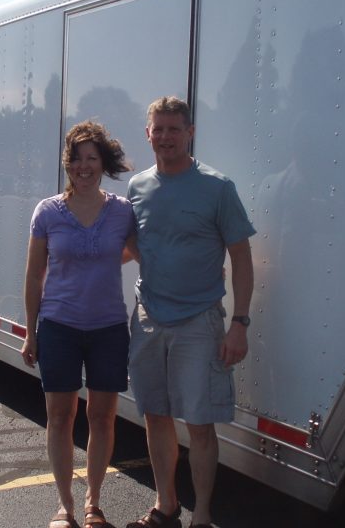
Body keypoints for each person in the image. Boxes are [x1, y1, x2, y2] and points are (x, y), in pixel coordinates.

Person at [126, 97, 255, 528]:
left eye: (174, 129)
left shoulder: (217, 188)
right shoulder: (137, 187)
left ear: (190, 133)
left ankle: (201, 514)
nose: (165, 137)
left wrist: (239, 323)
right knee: (156, 415)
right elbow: (135, 244)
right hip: (148, 319)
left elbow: (241, 256)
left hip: (199, 321)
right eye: (158, 129)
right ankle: (166, 507)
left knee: (200, 422)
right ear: (148, 134)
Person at [22, 120, 136, 528]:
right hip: (59, 326)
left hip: (108, 329)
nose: (84, 166)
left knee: (102, 418)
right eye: (77, 159)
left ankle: (93, 503)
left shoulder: (121, 211)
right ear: (67, 163)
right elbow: (34, 275)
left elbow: (144, 253)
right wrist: (30, 332)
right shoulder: (47, 212)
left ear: (103, 163)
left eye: (92, 158)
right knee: (60, 418)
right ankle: (65, 506)